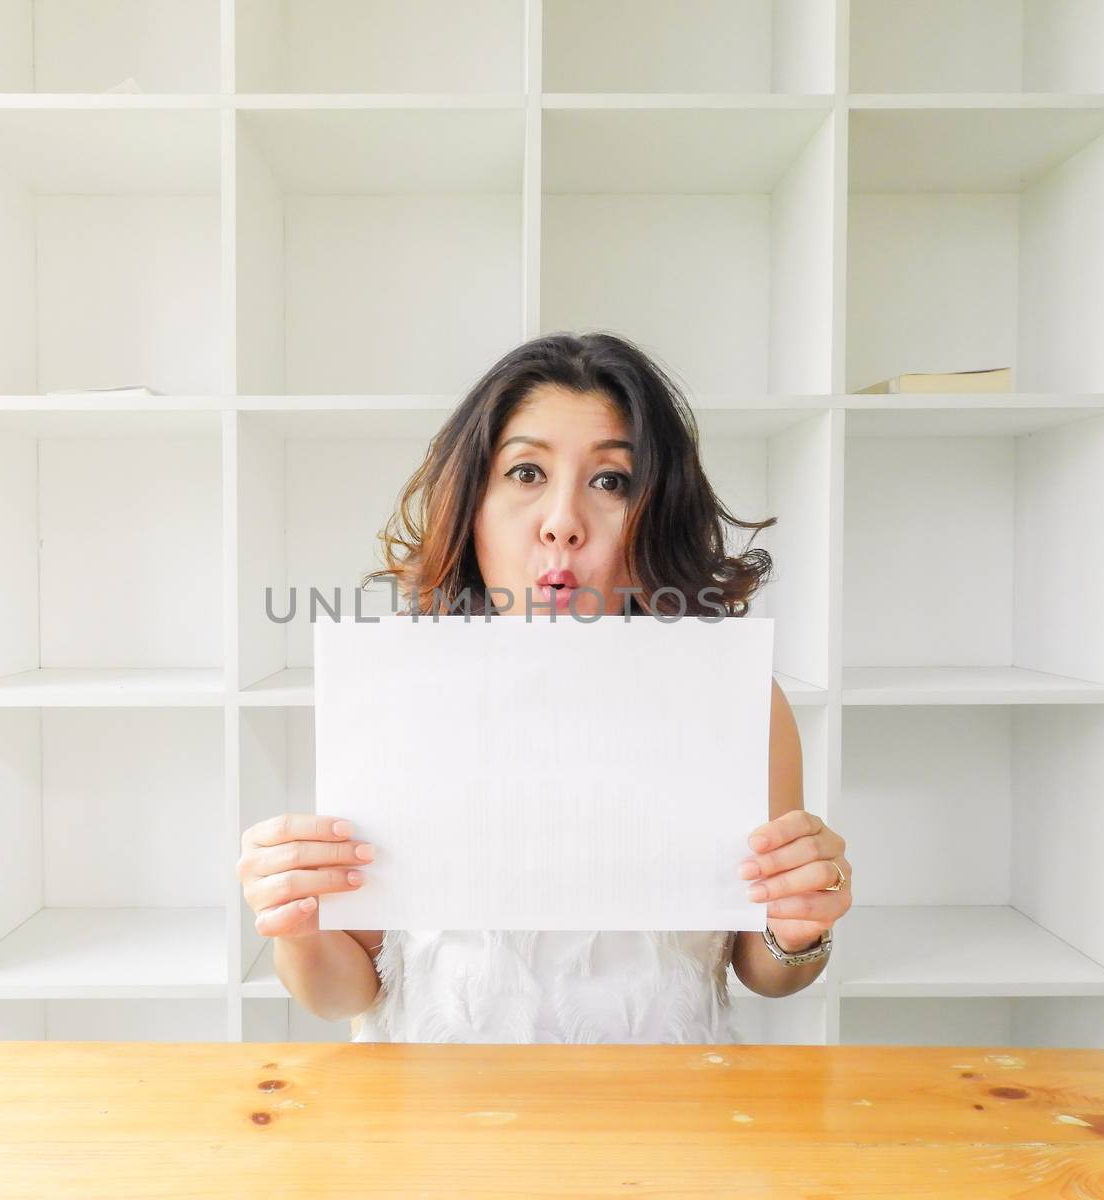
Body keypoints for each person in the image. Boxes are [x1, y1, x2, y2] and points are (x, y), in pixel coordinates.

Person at [236, 331, 853, 1043]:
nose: (563, 523)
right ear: (471, 501)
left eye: (611, 480)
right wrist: (297, 926)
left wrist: (799, 927)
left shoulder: (735, 701)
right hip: (434, 1121)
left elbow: (768, 971)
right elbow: (347, 992)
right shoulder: (397, 693)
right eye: (526, 473)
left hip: (670, 1118)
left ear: (657, 511)